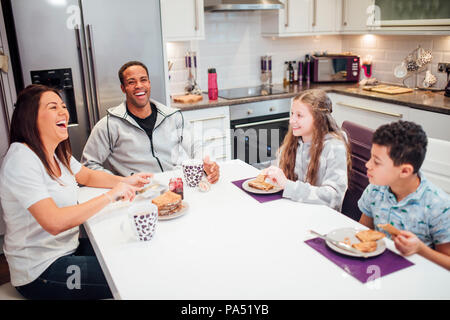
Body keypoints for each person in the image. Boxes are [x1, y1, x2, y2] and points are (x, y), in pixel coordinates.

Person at [0, 84, 153, 299]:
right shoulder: (22, 159)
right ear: (30, 117)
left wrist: (125, 181)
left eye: (63, 106)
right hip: (41, 271)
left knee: (134, 253)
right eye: (53, 107)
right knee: (130, 274)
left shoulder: (54, 153)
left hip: (69, 249)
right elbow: (54, 222)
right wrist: (111, 195)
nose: (64, 111)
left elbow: (88, 176)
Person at [81, 60, 219, 182]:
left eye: (143, 80)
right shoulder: (108, 125)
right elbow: (88, 167)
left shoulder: (173, 116)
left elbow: (197, 146)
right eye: (131, 82)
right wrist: (122, 182)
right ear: (123, 88)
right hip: (137, 194)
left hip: (175, 186)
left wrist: (207, 163)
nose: (139, 85)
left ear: (149, 83)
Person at [358, 120, 450, 270]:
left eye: (376, 161)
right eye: (370, 157)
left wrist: (420, 249)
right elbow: (362, 232)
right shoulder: (375, 189)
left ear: (405, 171)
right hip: (376, 268)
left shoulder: (438, 206)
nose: (368, 164)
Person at [263, 89, 351, 211]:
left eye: (299, 115)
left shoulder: (334, 147)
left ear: (318, 119)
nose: (291, 120)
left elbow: (334, 197)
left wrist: (288, 186)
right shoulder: (294, 141)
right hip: (297, 210)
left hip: (321, 218)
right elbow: (277, 167)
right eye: (292, 113)